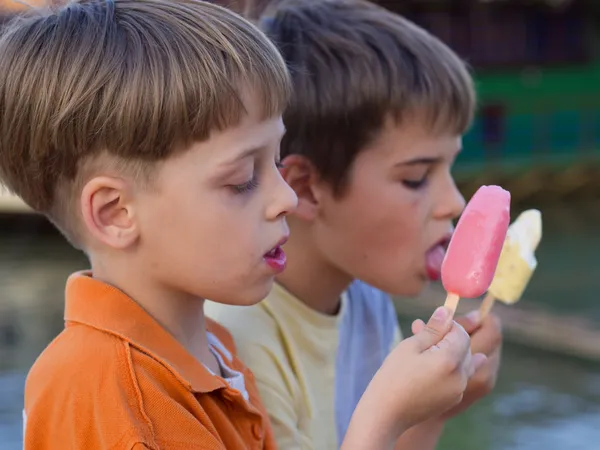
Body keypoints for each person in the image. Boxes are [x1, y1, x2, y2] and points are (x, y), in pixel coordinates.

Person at [0, 1, 483, 449]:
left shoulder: (213, 351)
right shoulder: (114, 398)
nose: (286, 197)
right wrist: (383, 419)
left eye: (275, 162)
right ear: (115, 213)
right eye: (241, 179)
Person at [206, 0, 503, 448]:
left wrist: (437, 408)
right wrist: (396, 414)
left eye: (449, 169)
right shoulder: (233, 340)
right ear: (305, 189)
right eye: (416, 178)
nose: (455, 202)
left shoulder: (364, 298)